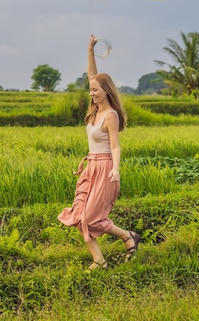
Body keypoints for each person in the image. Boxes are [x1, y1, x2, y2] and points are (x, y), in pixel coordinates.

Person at [58, 35, 141, 270]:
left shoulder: (110, 115)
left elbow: (115, 146)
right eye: (90, 90)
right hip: (91, 168)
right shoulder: (94, 111)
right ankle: (103, 257)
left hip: (105, 168)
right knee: (79, 216)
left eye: (95, 90)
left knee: (90, 218)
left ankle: (125, 238)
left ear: (106, 91)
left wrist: (116, 168)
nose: (91, 93)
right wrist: (90, 49)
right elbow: (91, 74)